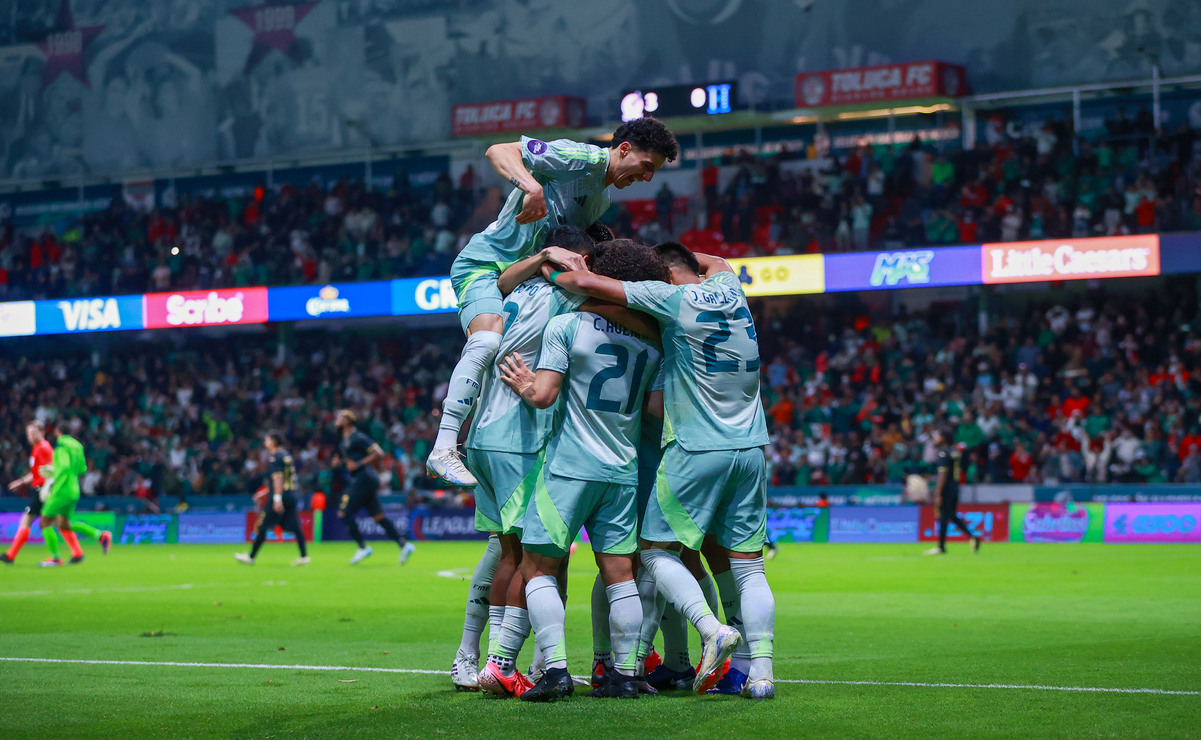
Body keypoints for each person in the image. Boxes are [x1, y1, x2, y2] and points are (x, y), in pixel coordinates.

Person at [549, 242, 777, 700]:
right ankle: (761, 675)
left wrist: (556, 264)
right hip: (752, 446)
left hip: (695, 447)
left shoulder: (670, 297)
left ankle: (710, 629)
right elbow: (716, 262)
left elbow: (580, 282)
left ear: (665, 277)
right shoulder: (731, 287)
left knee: (653, 553)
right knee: (750, 569)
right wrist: (686, 256)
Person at [425, 118, 679, 488]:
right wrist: (531, 186)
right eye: (647, 166)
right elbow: (499, 150)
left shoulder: (600, 198)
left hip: (520, 274)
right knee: (488, 338)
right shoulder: (580, 158)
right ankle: (444, 446)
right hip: (483, 265)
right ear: (624, 149)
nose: (648, 178)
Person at [499, 241, 670, 702]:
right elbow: (655, 409)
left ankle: (554, 672)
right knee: (620, 574)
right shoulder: (650, 346)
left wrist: (523, 383)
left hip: (570, 468)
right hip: (622, 470)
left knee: (538, 568)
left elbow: (544, 396)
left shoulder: (566, 326)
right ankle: (626, 675)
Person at [457, 224, 597, 694]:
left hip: (482, 436)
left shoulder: (511, 293)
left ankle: (492, 662)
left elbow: (494, 285)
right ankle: (502, 663)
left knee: (509, 552)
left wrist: (537, 260)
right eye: (584, 260)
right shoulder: (563, 298)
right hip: (520, 437)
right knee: (538, 559)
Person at [334, 410, 415, 565]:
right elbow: (351, 461)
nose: (336, 419)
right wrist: (342, 463)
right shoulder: (344, 439)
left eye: (340, 417)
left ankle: (362, 547)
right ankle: (404, 545)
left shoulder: (358, 436)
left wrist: (359, 464)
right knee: (378, 517)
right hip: (362, 479)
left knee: (343, 513)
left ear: (348, 420)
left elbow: (378, 452)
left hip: (363, 478)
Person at [235, 432, 309, 566]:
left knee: (263, 525)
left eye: (267, 440)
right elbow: (284, 480)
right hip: (291, 495)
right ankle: (304, 556)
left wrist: (276, 498)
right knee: (295, 527)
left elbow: (278, 478)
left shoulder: (275, 458)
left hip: (280, 495)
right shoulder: (286, 455)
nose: (265, 442)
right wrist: (265, 492)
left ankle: (251, 557)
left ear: (274, 442)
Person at [37, 428, 93, 565]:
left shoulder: (61, 446)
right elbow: (82, 469)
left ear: (57, 432)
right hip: (74, 489)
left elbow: (64, 467)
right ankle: (100, 535)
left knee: (44, 522)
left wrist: (54, 476)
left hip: (61, 489)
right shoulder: (78, 445)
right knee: (63, 524)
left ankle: (56, 558)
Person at [925, 430, 982, 555]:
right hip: (955, 486)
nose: (935, 439)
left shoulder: (942, 452)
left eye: (938, 436)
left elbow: (942, 474)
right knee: (950, 515)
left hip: (946, 487)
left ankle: (941, 546)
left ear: (944, 438)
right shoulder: (955, 452)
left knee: (944, 515)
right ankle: (971, 537)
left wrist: (938, 493)